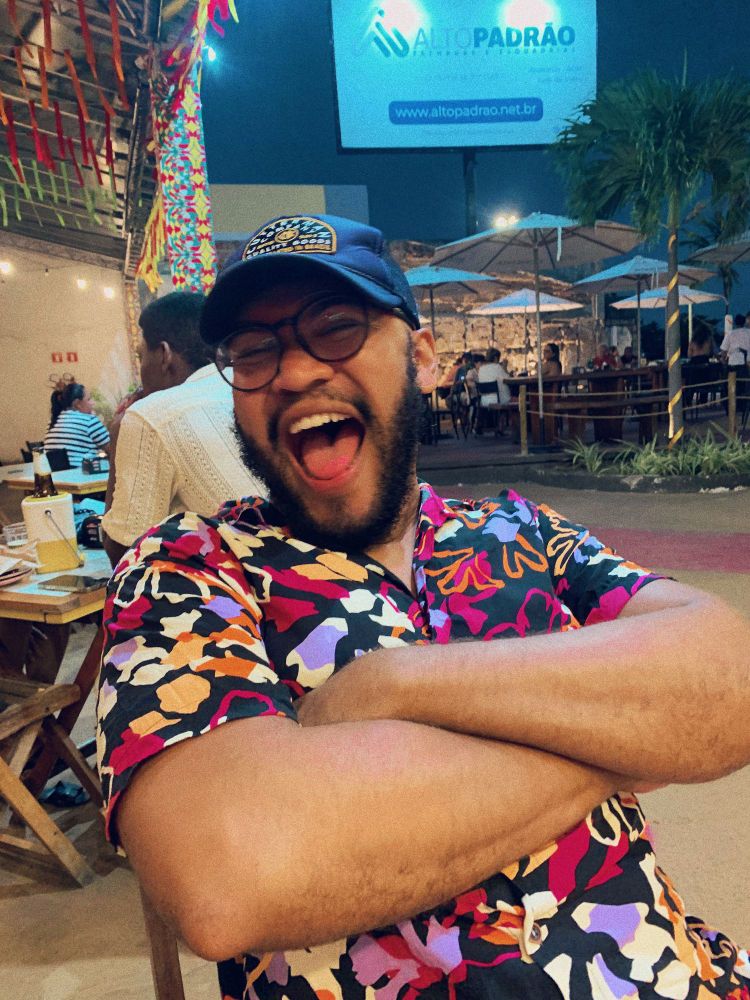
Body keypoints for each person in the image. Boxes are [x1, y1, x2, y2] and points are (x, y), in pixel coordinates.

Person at [96, 213, 750, 1000]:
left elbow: (732, 682)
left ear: (422, 358)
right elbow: (232, 876)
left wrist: (392, 683)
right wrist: (636, 735)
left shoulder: (523, 530)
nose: (294, 372)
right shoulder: (187, 571)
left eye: (336, 327)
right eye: (255, 350)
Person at [101, 291, 264, 567]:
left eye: (141, 356)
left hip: (249, 587)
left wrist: (119, 435)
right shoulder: (249, 387)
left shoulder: (151, 414)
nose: (141, 370)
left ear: (164, 354)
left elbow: (126, 554)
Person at [43, 381, 109, 465]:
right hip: (82, 471)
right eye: (89, 399)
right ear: (77, 404)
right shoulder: (89, 420)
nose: (93, 403)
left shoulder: (52, 422)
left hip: (56, 472)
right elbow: (113, 450)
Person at [720, 313, 750, 423]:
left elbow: (723, 350)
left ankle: (730, 409)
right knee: (744, 386)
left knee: (729, 386)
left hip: (732, 364)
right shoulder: (749, 333)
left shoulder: (730, 334)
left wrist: (724, 361)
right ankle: (743, 407)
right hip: (745, 364)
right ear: (744, 322)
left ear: (735, 323)